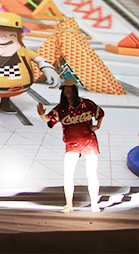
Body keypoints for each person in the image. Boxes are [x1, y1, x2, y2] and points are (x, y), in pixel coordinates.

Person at [36, 78, 104, 213]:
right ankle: (69, 205)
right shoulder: (61, 109)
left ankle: (94, 204)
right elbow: (49, 119)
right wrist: (42, 115)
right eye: (64, 88)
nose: (67, 90)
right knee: (68, 174)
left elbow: (100, 113)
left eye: (69, 88)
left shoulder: (87, 104)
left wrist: (97, 126)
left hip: (89, 142)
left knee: (91, 173)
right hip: (72, 144)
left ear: (75, 89)